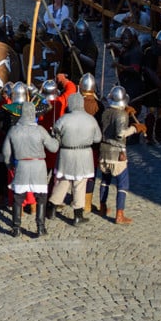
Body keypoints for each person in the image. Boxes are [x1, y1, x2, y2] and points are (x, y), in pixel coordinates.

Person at [3, 101, 59, 237]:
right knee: (41, 197)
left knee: (18, 198)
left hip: (22, 165)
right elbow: (53, 147)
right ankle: (40, 227)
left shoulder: (14, 130)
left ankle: (16, 228)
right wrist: (55, 137)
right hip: (38, 166)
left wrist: (9, 164)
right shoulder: (39, 130)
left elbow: (6, 152)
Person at [47, 93, 102, 226]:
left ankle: (52, 210)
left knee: (62, 182)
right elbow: (97, 138)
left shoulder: (63, 119)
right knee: (79, 184)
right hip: (84, 155)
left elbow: (55, 136)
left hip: (66, 154)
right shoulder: (91, 119)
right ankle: (78, 216)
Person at [98, 86, 146, 224]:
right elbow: (120, 134)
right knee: (123, 184)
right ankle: (119, 215)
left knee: (105, 180)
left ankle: (102, 207)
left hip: (104, 150)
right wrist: (134, 128)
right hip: (117, 153)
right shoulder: (122, 115)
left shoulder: (106, 112)